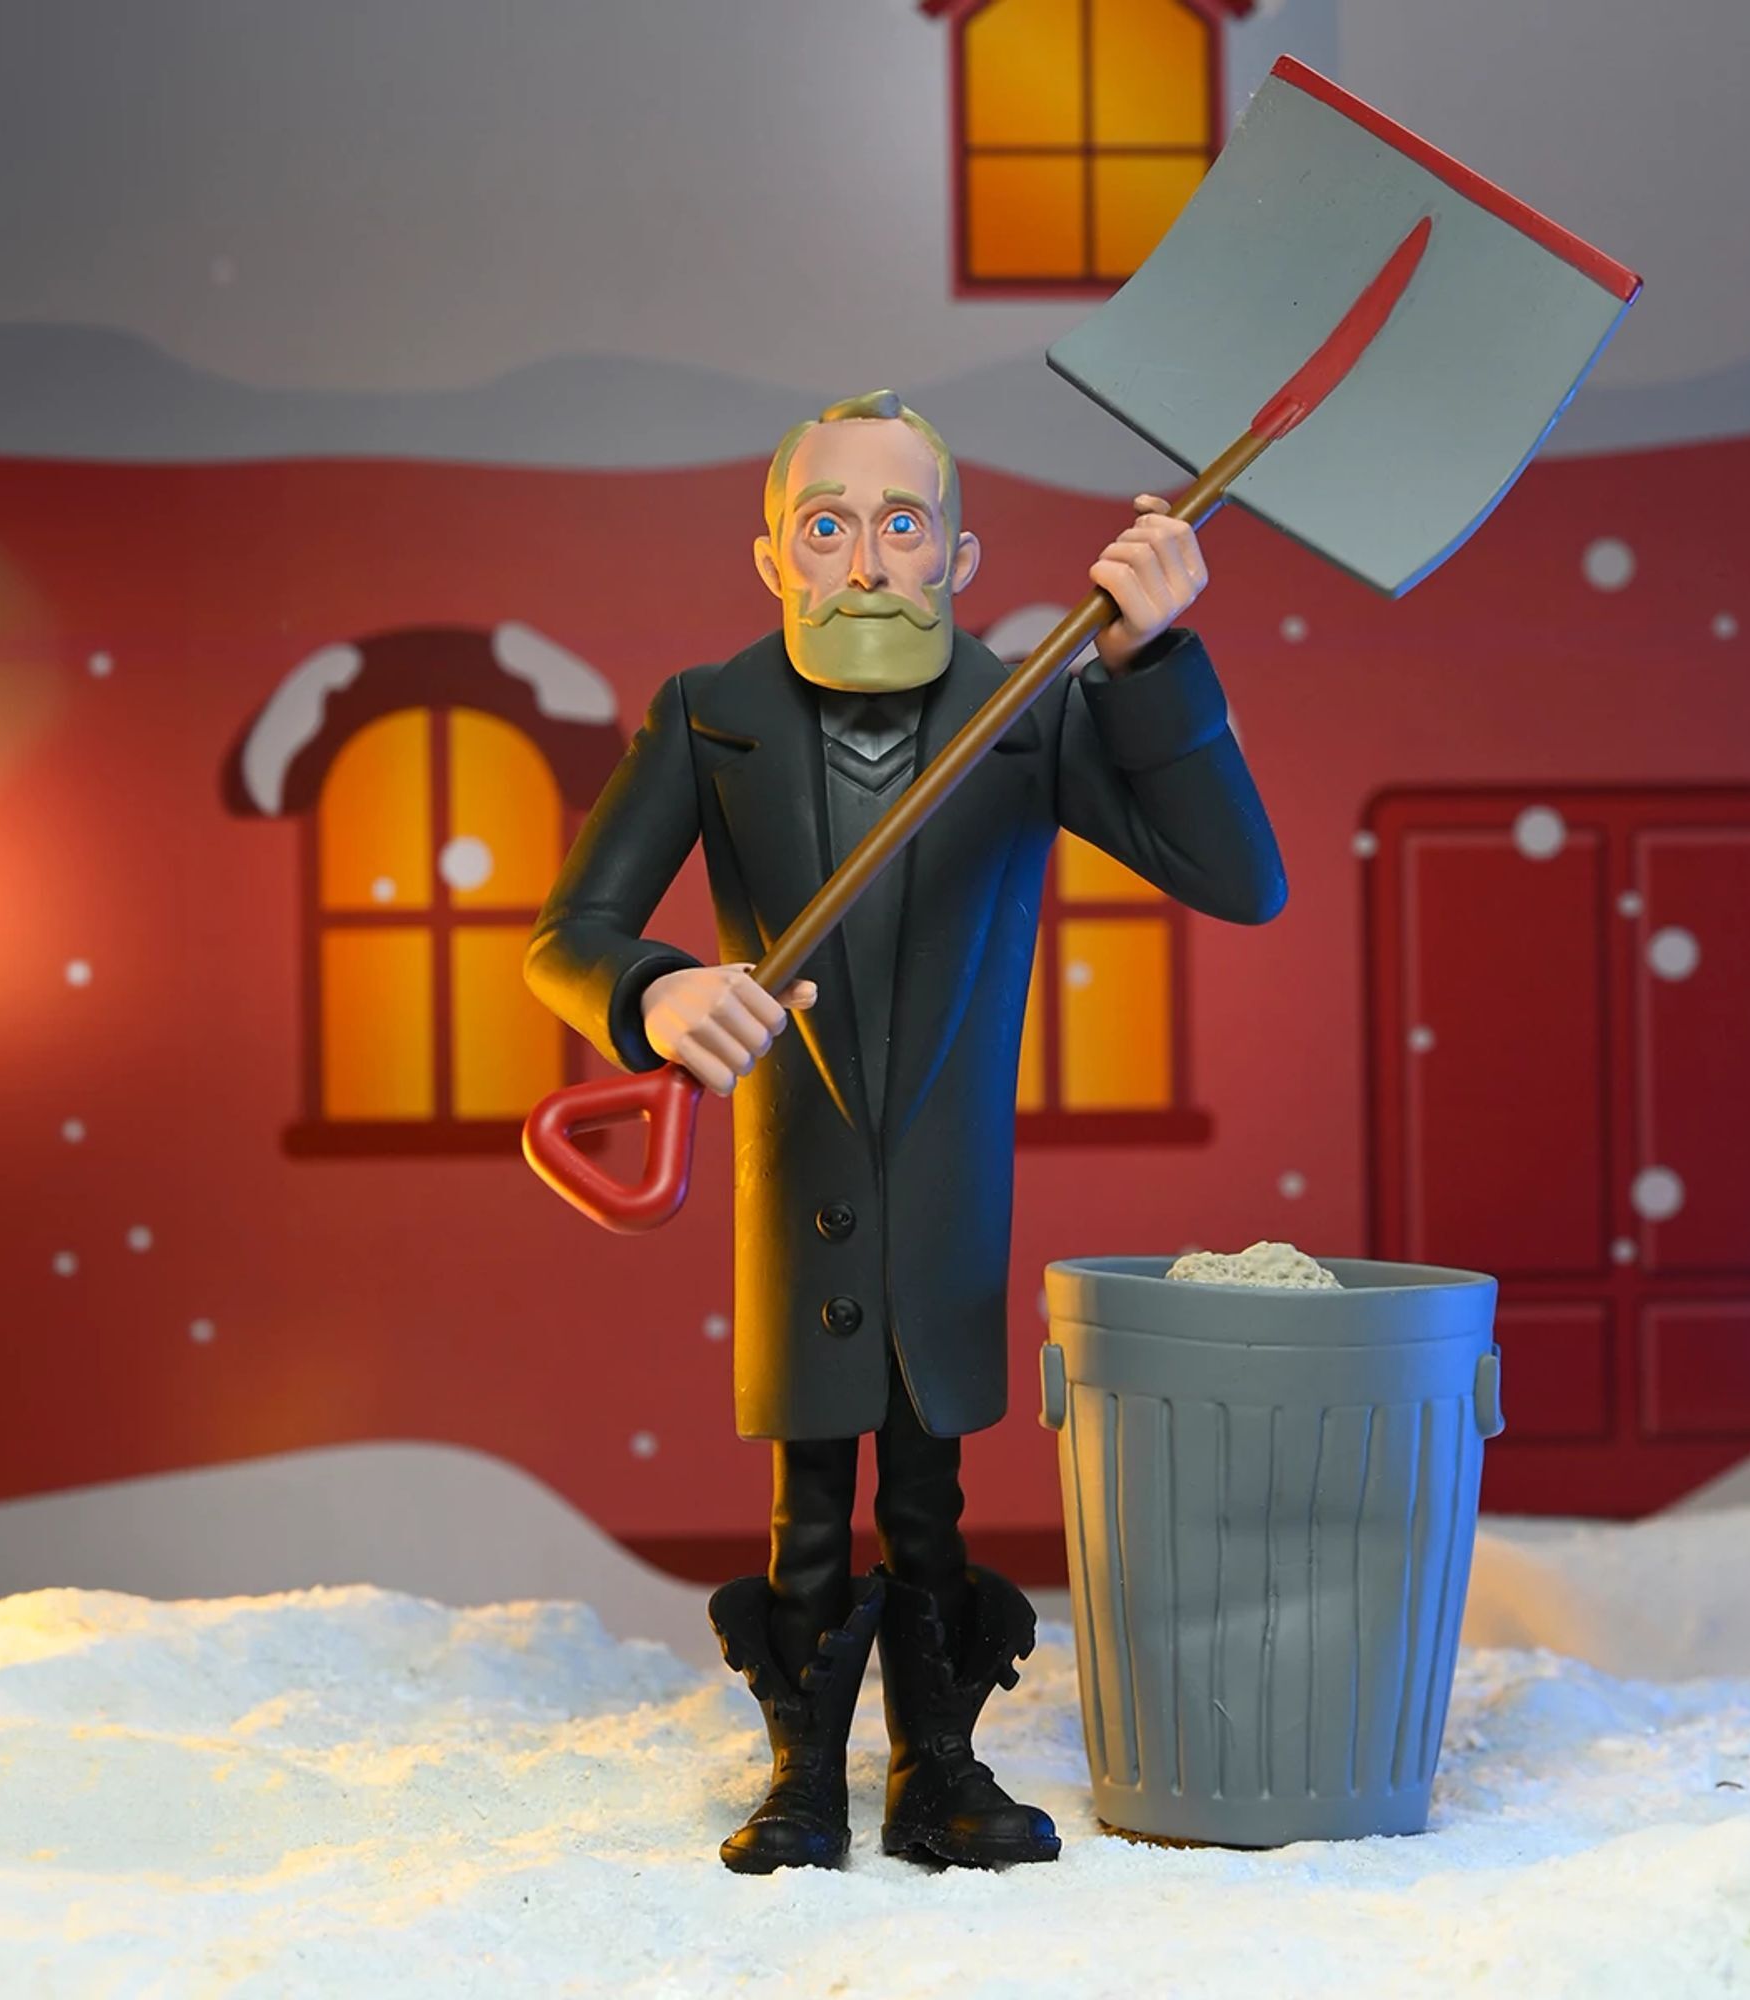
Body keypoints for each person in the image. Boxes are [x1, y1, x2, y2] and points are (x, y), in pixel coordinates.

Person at [525, 390, 1285, 1873]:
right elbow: (571, 932)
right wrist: (659, 992)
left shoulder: (1031, 712)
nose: (865, 560)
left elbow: (1239, 877)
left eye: (900, 525)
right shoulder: (708, 715)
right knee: (808, 1504)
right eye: (827, 527)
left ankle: (940, 1767)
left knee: (930, 1495)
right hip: (793, 1183)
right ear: (774, 561)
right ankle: (803, 1774)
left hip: (944, 1196)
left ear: (957, 557)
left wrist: (1148, 666)